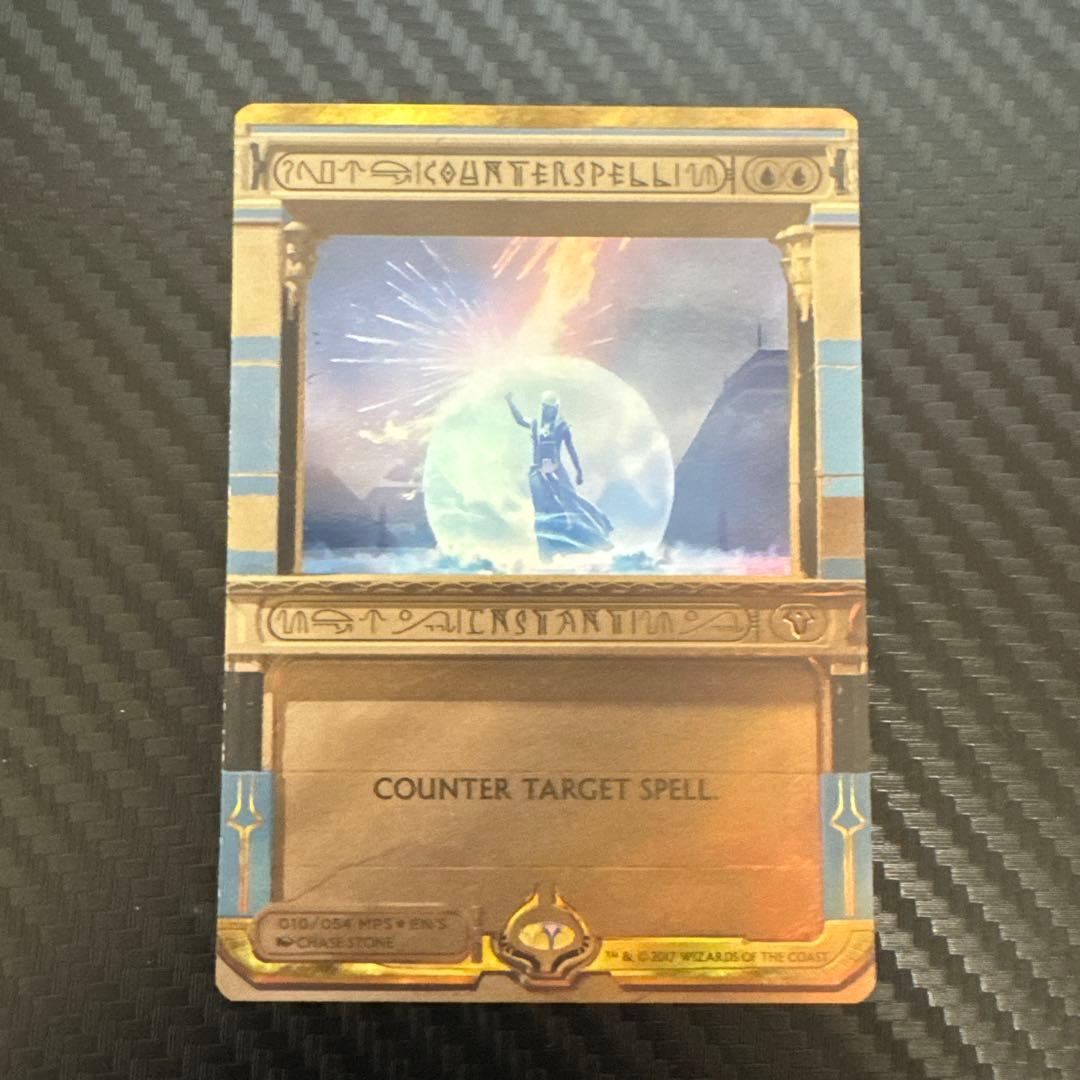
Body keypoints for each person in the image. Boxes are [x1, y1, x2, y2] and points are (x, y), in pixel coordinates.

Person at [505, 390, 614, 561]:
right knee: (543, 512)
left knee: (572, 503)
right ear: (543, 408)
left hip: (556, 468)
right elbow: (519, 420)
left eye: (553, 408)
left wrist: (579, 470)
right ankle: (547, 553)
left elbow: (571, 449)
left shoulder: (562, 427)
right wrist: (510, 402)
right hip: (537, 470)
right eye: (547, 408)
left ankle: (597, 540)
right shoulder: (535, 424)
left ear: (556, 409)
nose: (550, 412)